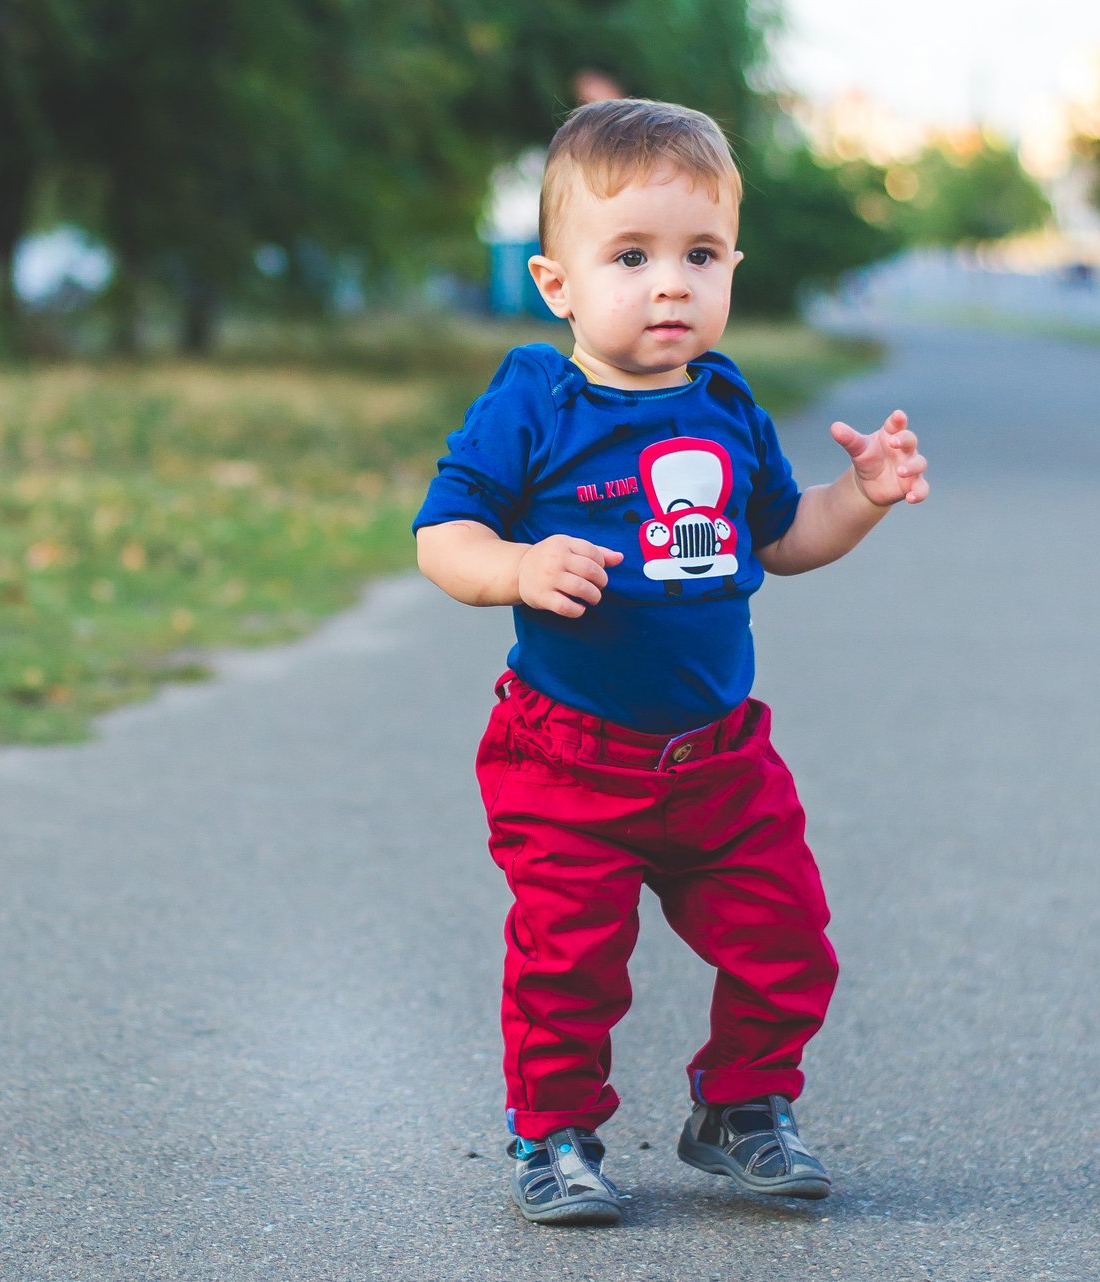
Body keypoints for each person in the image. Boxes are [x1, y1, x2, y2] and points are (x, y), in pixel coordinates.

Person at [413, 98, 929, 1227]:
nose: (670, 285)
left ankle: (742, 1108)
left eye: (700, 255)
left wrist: (864, 497)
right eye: (632, 256)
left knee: (790, 940)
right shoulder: (535, 400)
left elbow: (784, 542)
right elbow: (441, 536)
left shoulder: (729, 401)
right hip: (568, 758)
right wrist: (514, 569)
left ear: (732, 264)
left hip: (719, 762)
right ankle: (554, 1131)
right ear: (558, 283)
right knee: (571, 963)